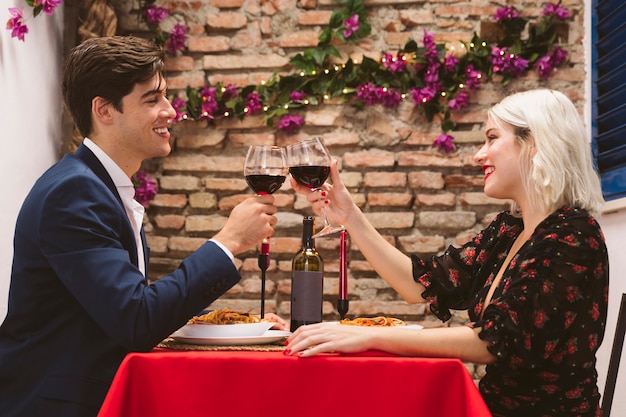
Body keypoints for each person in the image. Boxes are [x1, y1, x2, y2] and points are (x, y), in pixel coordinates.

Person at [0, 35, 286, 417]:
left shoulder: (97, 185)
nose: (170, 111)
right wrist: (229, 241)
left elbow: (117, 309)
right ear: (104, 110)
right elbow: (135, 319)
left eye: (165, 96)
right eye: (152, 100)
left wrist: (232, 325)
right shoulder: (74, 191)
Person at [286, 89, 609, 417]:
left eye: (492, 138)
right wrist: (349, 216)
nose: (478, 155)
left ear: (535, 143)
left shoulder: (574, 235)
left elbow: (492, 341)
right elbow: (419, 285)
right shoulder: (508, 231)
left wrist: (366, 337)